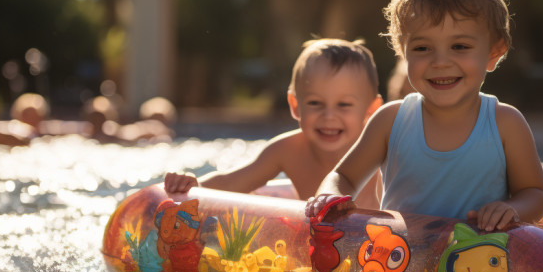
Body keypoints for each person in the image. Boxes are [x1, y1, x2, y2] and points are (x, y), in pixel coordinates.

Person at [306, 0, 543, 232]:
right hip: (401, 264)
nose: (440, 62)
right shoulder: (391, 120)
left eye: (460, 46)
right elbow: (343, 176)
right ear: (403, 51)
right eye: (423, 48)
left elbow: (535, 193)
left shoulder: (505, 123)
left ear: (494, 52)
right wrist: (330, 195)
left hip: (479, 265)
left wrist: (513, 209)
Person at [164, 38, 384, 207]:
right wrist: (194, 185)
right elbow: (232, 183)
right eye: (315, 103)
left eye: (344, 105)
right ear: (295, 105)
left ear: (371, 110)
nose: (328, 116)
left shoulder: (378, 155)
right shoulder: (286, 151)